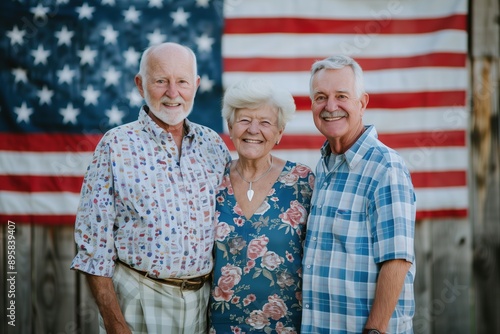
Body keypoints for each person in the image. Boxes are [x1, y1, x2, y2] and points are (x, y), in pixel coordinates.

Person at [70, 42, 231, 334]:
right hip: (137, 299)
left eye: (182, 81)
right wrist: (115, 322)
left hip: (203, 303)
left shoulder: (213, 145)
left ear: (195, 85)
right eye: (160, 81)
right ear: (140, 84)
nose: (173, 93)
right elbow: (94, 246)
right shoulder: (116, 145)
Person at [301, 55, 416, 334]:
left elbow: (396, 260)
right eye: (320, 97)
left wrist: (374, 330)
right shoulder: (325, 165)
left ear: (362, 103)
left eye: (341, 96)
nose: (330, 107)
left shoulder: (385, 166)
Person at [208, 78, 315, 333]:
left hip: (287, 326)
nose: (253, 130)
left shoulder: (301, 182)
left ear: (279, 132)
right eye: (244, 120)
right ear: (231, 126)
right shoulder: (211, 181)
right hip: (222, 325)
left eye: (265, 122)